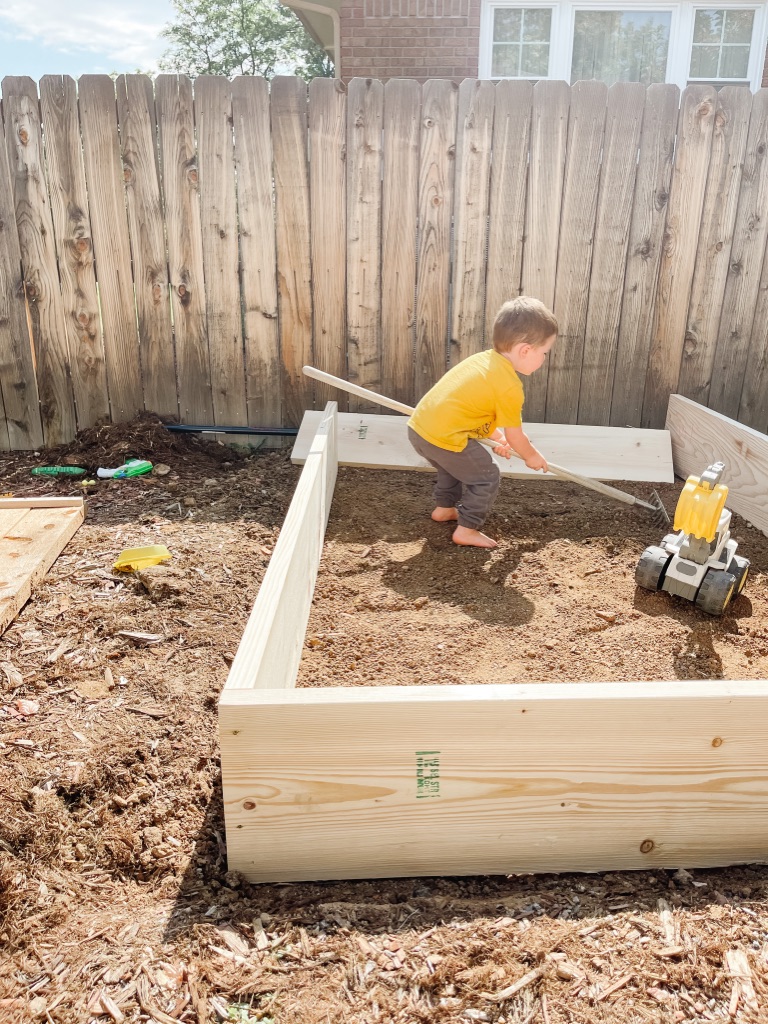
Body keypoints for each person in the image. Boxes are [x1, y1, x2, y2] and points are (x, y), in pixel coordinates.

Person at [407, 296, 558, 549]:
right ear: (525, 350)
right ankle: (467, 529)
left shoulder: (483, 361)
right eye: (544, 353)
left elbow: (472, 411)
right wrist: (531, 455)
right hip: (444, 436)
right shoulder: (509, 385)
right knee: (487, 476)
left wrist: (497, 438)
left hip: (421, 430)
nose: (544, 359)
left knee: (451, 468)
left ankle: (444, 509)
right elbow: (516, 437)